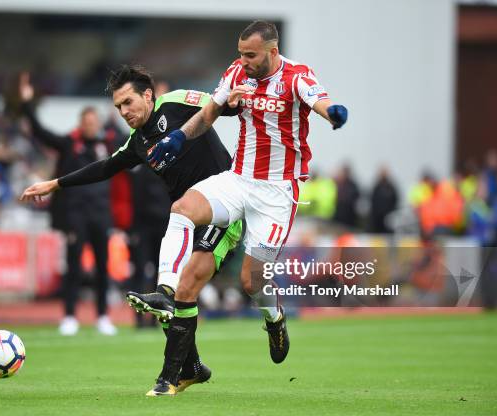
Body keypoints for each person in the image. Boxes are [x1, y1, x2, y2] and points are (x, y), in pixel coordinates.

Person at [141, 20, 348, 395]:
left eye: (250, 54)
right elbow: (208, 113)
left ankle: (274, 316)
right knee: (182, 209)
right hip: (238, 179)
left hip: (277, 195)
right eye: (240, 53)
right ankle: (165, 291)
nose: (243, 60)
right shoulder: (237, 71)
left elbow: (319, 100)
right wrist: (177, 136)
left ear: (272, 51)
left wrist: (333, 113)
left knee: (252, 282)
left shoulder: (297, 75)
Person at [20, 65, 243, 393]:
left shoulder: (179, 102)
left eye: (128, 102)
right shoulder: (138, 142)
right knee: (172, 296)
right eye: (118, 107)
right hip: (186, 220)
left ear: (148, 95)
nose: (123, 112)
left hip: (224, 212)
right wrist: (54, 184)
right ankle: (191, 367)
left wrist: (239, 102)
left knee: (182, 290)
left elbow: (219, 105)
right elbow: (106, 167)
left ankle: (170, 377)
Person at [19, 73, 117, 336]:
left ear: (98, 124)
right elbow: (40, 133)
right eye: (87, 121)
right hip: (75, 215)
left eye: (94, 121)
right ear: (80, 123)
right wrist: (27, 104)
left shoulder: (107, 144)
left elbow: (133, 138)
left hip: (100, 214)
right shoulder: (67, 144)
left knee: (102, 266)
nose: (90, 125)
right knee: (74, 266)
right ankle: (70, 316)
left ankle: (103, 316)